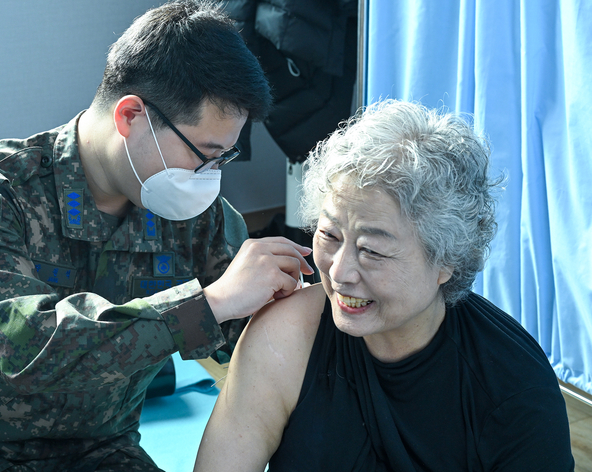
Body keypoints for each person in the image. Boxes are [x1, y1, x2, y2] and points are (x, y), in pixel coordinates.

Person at [0, 0, 314, 471]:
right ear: (131, 116)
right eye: (203, 153)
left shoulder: (198, 218)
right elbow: (25, 345)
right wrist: (210, 304)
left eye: (223, 158)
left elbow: (267, 340)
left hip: (95, 452)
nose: (209, 176)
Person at [194, 100, 575, 471]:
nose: (339, 272)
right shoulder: (287, 336)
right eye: (330, 234)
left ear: (447, 260)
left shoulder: (514, 391)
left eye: (372, 250)